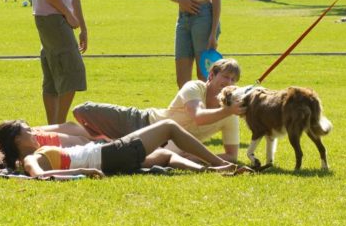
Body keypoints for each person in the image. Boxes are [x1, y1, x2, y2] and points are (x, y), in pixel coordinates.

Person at [73, 58, 245, 162]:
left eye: (233, 80)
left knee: (115, 154)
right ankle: (99, 138)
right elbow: (199, 117)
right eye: (225, 76)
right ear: (211, 76)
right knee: (83, 110)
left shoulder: (230, 115)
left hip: (164, 145)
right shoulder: (195, 87)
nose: (229, 83)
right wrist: (229, 111)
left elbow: (232, 156)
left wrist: (194, 157)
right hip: (141, 121)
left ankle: (103, 142)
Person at [0, 119, 242, 178]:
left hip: (108, 156)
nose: (33, 132)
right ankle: (220, 163)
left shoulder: (31, 156)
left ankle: (212, 171)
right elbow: (40, 177)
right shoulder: (28, 160)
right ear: (16, 140)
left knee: (165, 155)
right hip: (107, 156)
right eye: (27, 130)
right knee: (168, 126)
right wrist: (82, 172)